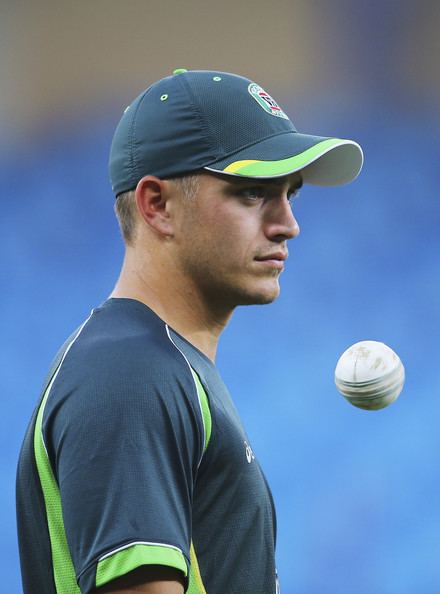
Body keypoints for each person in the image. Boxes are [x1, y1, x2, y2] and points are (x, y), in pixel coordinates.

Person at [16, 68, 363, 594]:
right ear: (156, 205)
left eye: (292, 194)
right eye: (252, 193)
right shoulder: (128, 375)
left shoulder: (158, 366)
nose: (288, 223)